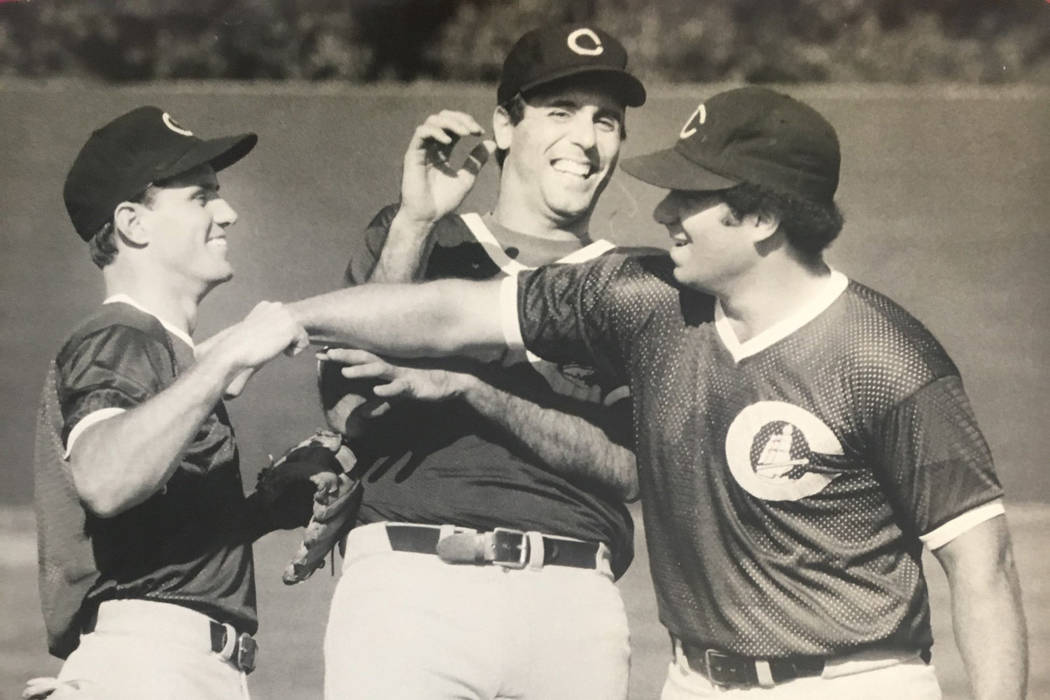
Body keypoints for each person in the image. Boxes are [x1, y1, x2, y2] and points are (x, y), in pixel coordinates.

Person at [295, 86, 1027, 699]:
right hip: (693, 681)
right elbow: (452, 313)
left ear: (765, 217)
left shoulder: (887, 358)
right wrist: (288, 320)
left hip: (854, 684)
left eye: (692, 194)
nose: (663, 212)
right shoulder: (644, 302)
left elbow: (981, 566)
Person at [315, 23, 647, 700]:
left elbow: (630, 468)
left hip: (571, 597)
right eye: (560, 112)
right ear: (503, 125)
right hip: (411, 585)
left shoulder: (634, 285)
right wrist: (414, 220)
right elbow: (347, 400)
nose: (585, 140)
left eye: (605, 120)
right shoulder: (414, 240)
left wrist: (473, 390)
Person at [26, 106, 311, 700]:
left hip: (174, 667)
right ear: (132, 223)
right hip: (149, 670)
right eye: (201, 196)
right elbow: (102, 479)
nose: (227, 212)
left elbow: (150, 554)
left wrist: (263, 510)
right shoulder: (121, 337)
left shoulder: (159, 353)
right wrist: (228, 358)